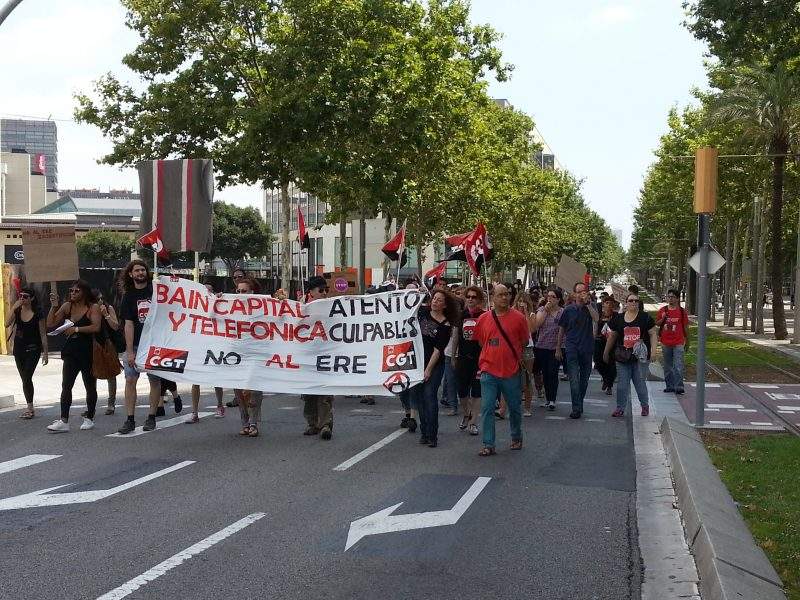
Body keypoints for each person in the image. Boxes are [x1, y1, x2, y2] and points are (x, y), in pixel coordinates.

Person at [474, 284, 529, 456]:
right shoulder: (483, 318)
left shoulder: (519, 318)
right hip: (488, 370)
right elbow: (481, 341)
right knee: (488, 407)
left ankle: (516, 437)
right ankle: (488, 444)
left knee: (514, 407)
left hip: (511, 371)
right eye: (501, 295)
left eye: (507, 294)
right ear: (493, 297)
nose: (505, 298)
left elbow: (524, 342)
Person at [46, 280, 102, 432]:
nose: (73, 293)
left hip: (87, 351)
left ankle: (89, 417)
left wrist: (76, 329)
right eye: (71, 290)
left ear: (84, 292)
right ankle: (64, 420)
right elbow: (51, 323)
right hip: (71, 351)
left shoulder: (93, 307)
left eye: (76, 291)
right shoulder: (67, 306)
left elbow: (96, 327)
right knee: (66, 385)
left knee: (89, 385)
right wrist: (53, 305)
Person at [117, 259, 162, 434]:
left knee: (155, 380)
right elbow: (128, 324)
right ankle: (130, 419)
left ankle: (151, 417)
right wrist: (129, 351)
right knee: (130, 380)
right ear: (131, 274)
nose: (140, 273)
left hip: (155, 344)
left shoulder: (158, 292)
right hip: (136, 345)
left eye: (143, 270)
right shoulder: (128, 296)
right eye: (137, 270)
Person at [409, 289, 458, 448]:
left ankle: (432, 435)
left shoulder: (445, 325)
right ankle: (424, 431)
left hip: (434, 364)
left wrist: (428, 370)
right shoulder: (422, 313)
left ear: (444, 305)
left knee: (429, 395)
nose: (435, 302)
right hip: (417, 363)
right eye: (434, 299)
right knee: (419, 398)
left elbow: (438, 350)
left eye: (439, 300)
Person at [604, 292, 657, 417]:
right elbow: (612, 336)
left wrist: (654, 352)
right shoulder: (619, 318)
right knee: (622, 384)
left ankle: (644, 406)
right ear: (626, 303)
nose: (633, 303)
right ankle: (620, 408)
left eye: (636, 301)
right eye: (631, 300)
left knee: (639, 383)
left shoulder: (645, 317)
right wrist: (606, 352)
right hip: (623, 356)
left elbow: (653, 334)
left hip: (640, 357)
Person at [557, 282, 598, 419]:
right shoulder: (568, 310)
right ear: (574, 294)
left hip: (587, 348)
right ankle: (576, 408)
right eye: (578, 292)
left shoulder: (591, 307)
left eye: (583, 291)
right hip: (572, 348)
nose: (581, 294)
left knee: (584, 381)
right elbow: (562, 329)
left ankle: (579, 404)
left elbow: (596, 319)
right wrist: (558, 347)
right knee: (574, 379)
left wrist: (588, 304)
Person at [6, 287, 47, 419]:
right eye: (21, 296)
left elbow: (43, 334)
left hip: (33, 349)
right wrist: (13, 307)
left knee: (27, 376)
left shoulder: (38, 312)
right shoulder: (17, 310)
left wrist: (45, 352)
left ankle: (30, 409)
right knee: (24, 378)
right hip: (19, 349)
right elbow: (7, 323)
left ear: (32, 299)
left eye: (25, 297)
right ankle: (30, 407)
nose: (22, 298)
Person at [301, 276, 334, 440]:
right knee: (309, 394)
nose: (324, 293)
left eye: (326, 290)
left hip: (326, 355)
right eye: (321, 290)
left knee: (325, 392)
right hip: (307, 357)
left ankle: (326, 424)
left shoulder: (333, 306)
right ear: (311, 292)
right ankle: (312, 423)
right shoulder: (301, 307)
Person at [233, 277, 264, 436]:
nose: (240, 294)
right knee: (238, 390)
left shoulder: (263, 308)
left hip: (256, 353)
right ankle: (244, 421)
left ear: (252, 292)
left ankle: (253, 423)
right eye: (238, 291)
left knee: (254, 390)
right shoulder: (230, 307)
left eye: (244, 291)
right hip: (236, 353)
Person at [455, 286, 486, 436]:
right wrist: (454, 354)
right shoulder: (461, 315)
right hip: (462, 357)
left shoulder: (485, 316)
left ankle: (473, 422)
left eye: (474, 297)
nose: (471, 299)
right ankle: (466, 414)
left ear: (479, 299)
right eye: (468, 297)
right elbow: (455, 336)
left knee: (477, 390)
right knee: (462, 390)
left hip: (479, 359)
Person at [531, 289, 563, 411]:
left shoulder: (562, 312)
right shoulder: (541, 309)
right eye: (548, 296)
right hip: (542, 346)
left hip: (556, 347)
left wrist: (559, 348)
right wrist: (545, 310)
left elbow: (563, 327)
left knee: (553, 373)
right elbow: (537, 324)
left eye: (553, 296)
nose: (549, 298)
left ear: (558, 299)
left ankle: (552, 399)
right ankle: (547, 398)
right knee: (545, 373)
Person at [92, 288, 122, 416]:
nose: (100, 302)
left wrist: (106, 315)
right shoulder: (88, 309)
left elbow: (115, 326)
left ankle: (111, 403)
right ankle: (91, 405)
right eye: (96, 300)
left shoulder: (108, 307)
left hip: (107, 342)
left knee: (111, 373)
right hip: (92, 343)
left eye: (101, 299)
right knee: (91, 374)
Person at [658, 289, 689, 395]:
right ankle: (669, 386)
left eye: (672, 297)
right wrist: (662, 319)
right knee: (667, 366)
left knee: (678, 365)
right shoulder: (662, 310)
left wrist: (687, 341)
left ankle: (679, 386)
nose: (670, 298)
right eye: (669, 296)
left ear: (677, 298)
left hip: (678, 342)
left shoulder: (681, 311)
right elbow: (657, 323)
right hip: (665, 342)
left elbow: (685, 327)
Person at [513, 292, 536, 417]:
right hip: (514, 348)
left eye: (524, 301)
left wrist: (525, 312)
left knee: (527, 378)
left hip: (527, 348)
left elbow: (531, 329)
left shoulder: (531, 314)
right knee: (512, 378)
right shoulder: (511, 314)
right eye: (519, 300)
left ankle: (527, 407)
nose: (521, 303)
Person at [595, 297, 618, 396]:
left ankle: (609, 385)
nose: (606, 305)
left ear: (612, 305)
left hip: (612, 342)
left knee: (611, 364)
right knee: (598, 361)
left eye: (609, 303)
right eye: (605, 303)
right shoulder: (599, 315)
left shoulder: (617, 316)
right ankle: (605, 378)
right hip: (599, 341)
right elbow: (595, 325)